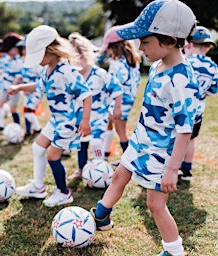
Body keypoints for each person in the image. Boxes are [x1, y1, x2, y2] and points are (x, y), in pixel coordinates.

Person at [89, 1, 198, 255]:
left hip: (161, 154)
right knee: (119, 175)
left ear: (170, 40)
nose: (139, 47)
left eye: (145, 42)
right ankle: (101, 216)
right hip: (141, 141)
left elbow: (185, 130)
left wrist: (172, 170)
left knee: (155, 205)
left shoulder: (182, 80)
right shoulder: (159, 64)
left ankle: (174, 250)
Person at [8, 25, 92, 207]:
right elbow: (38, 87)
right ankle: (38, 187)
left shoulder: (66, 72)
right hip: (56, 121)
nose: (37, 61)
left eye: (38, 56)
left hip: (68, 122)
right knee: (38, 148)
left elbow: (86, 94)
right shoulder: (47, 70)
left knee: (53, 156)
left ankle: (63, 192)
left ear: (51, 50)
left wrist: (85, 120)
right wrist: (19, 88)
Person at [67, 32, 123, 180]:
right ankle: (81, 169)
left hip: (99, 117)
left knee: (96, 142)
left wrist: (117, 107)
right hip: (81, 118)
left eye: (76, 60)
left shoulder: (100, 74)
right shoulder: (73, 77)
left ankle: (100, 167)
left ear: (85, 57)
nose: (74, 65)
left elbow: (117, 89)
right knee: (82, 144)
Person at [179, 26, 218, 180]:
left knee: (174, 138)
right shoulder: (213, 67)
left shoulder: (184, 62)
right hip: (197, 111)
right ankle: (187, 170)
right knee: (190, 139)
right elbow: (212, 92)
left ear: (189, 44)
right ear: (208, 47)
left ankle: (171, 168)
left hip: (179, 108)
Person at [100, 26, 142, 165]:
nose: (109, 51)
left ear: (115, 46)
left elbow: (116, 84)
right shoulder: (132, 61)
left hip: (120, 101)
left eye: (110, 48)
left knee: (121, 131)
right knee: (109, 122)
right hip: (128, 99)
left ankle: (129, 160)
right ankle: (105, 154)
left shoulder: (119, 64)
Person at [0, 33, 24, 135]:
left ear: (16, 48)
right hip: (4, 87)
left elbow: (19, 75)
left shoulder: (19, 61)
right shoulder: (7, 58)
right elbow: (6, 70)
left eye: (9, 50)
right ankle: (1, 126)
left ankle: (17, 128)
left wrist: (14, 86)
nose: (7, 52)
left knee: (13, 110)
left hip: (14, 89)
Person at [16, 36, 43, 137]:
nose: (24, 51)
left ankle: (37, 128)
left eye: (26, 48)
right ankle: (28, 130)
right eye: (23, 48)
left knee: (28, 112)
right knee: (26, 110)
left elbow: (41, 78)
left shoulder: (37, 63)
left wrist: (31, 88)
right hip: (26, 91)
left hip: (35, 91)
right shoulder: (24, 62)